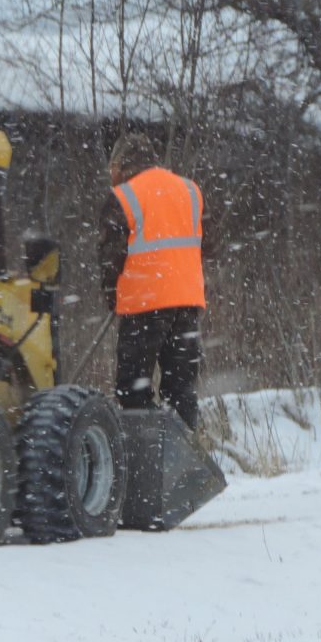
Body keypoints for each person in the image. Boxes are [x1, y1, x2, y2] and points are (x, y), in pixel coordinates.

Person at [98, 133, 206, 431]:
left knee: (133, 389)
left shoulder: (123, 196)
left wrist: (113, 300)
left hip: (145, 304)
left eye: (112, 170)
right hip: (187, 303)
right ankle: (181, 466)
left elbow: (110, 258)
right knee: (181, 390)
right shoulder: (190, 190)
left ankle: (145, 463)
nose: (112, 177)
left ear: (121, 164)